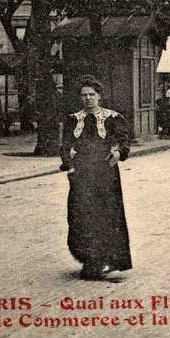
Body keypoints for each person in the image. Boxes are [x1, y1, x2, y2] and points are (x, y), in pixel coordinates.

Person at [59, 76, 132, 280]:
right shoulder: (73, 119)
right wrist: (69, 165)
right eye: (84, 95)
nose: (88, 98)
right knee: (80, 216)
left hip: (105, 175)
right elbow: (65, 145)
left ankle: (104, 260)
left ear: (99, 96)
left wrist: (118, 153)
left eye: (92, 94)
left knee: (105, 216)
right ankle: (90, 259)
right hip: (81, 175)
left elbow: (123, 141)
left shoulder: (113, 118)